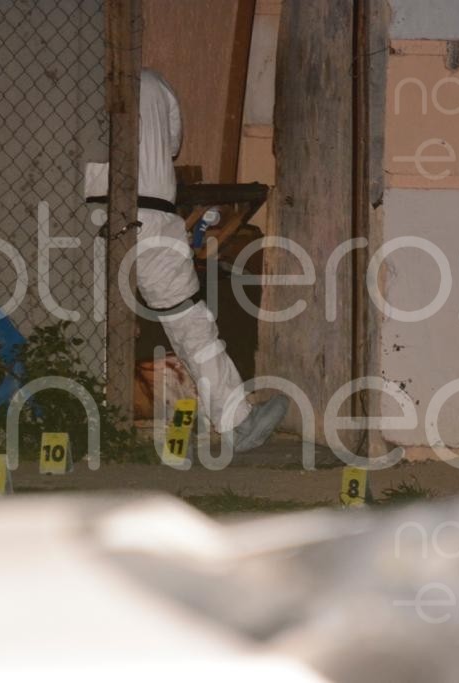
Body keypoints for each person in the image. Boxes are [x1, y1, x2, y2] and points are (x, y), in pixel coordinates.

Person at [87, 69, 287, 452]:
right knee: (187, 320)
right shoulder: (152, 83)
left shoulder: (79, 75)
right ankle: (236, 421)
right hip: (152, 217)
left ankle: (92, 422)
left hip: (96, 215)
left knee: (97, 323)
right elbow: (173, 143)